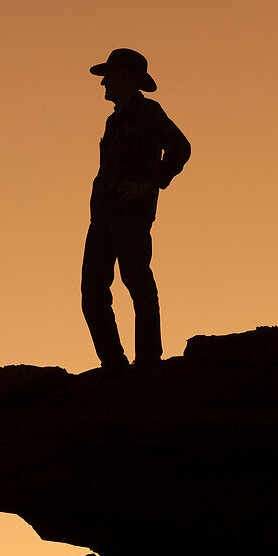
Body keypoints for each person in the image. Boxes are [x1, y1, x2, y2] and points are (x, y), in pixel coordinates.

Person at [81, 48, 191, 374]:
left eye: (109, 77)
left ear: (127, 78)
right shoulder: (113, 119)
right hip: (103, 216)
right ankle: (114, 364)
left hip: (130, 215)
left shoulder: (148, 111)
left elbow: (180, 147)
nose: (104, 84)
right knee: (93, 290)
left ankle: (147, 362)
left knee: (137, 283)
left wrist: (150, 184)